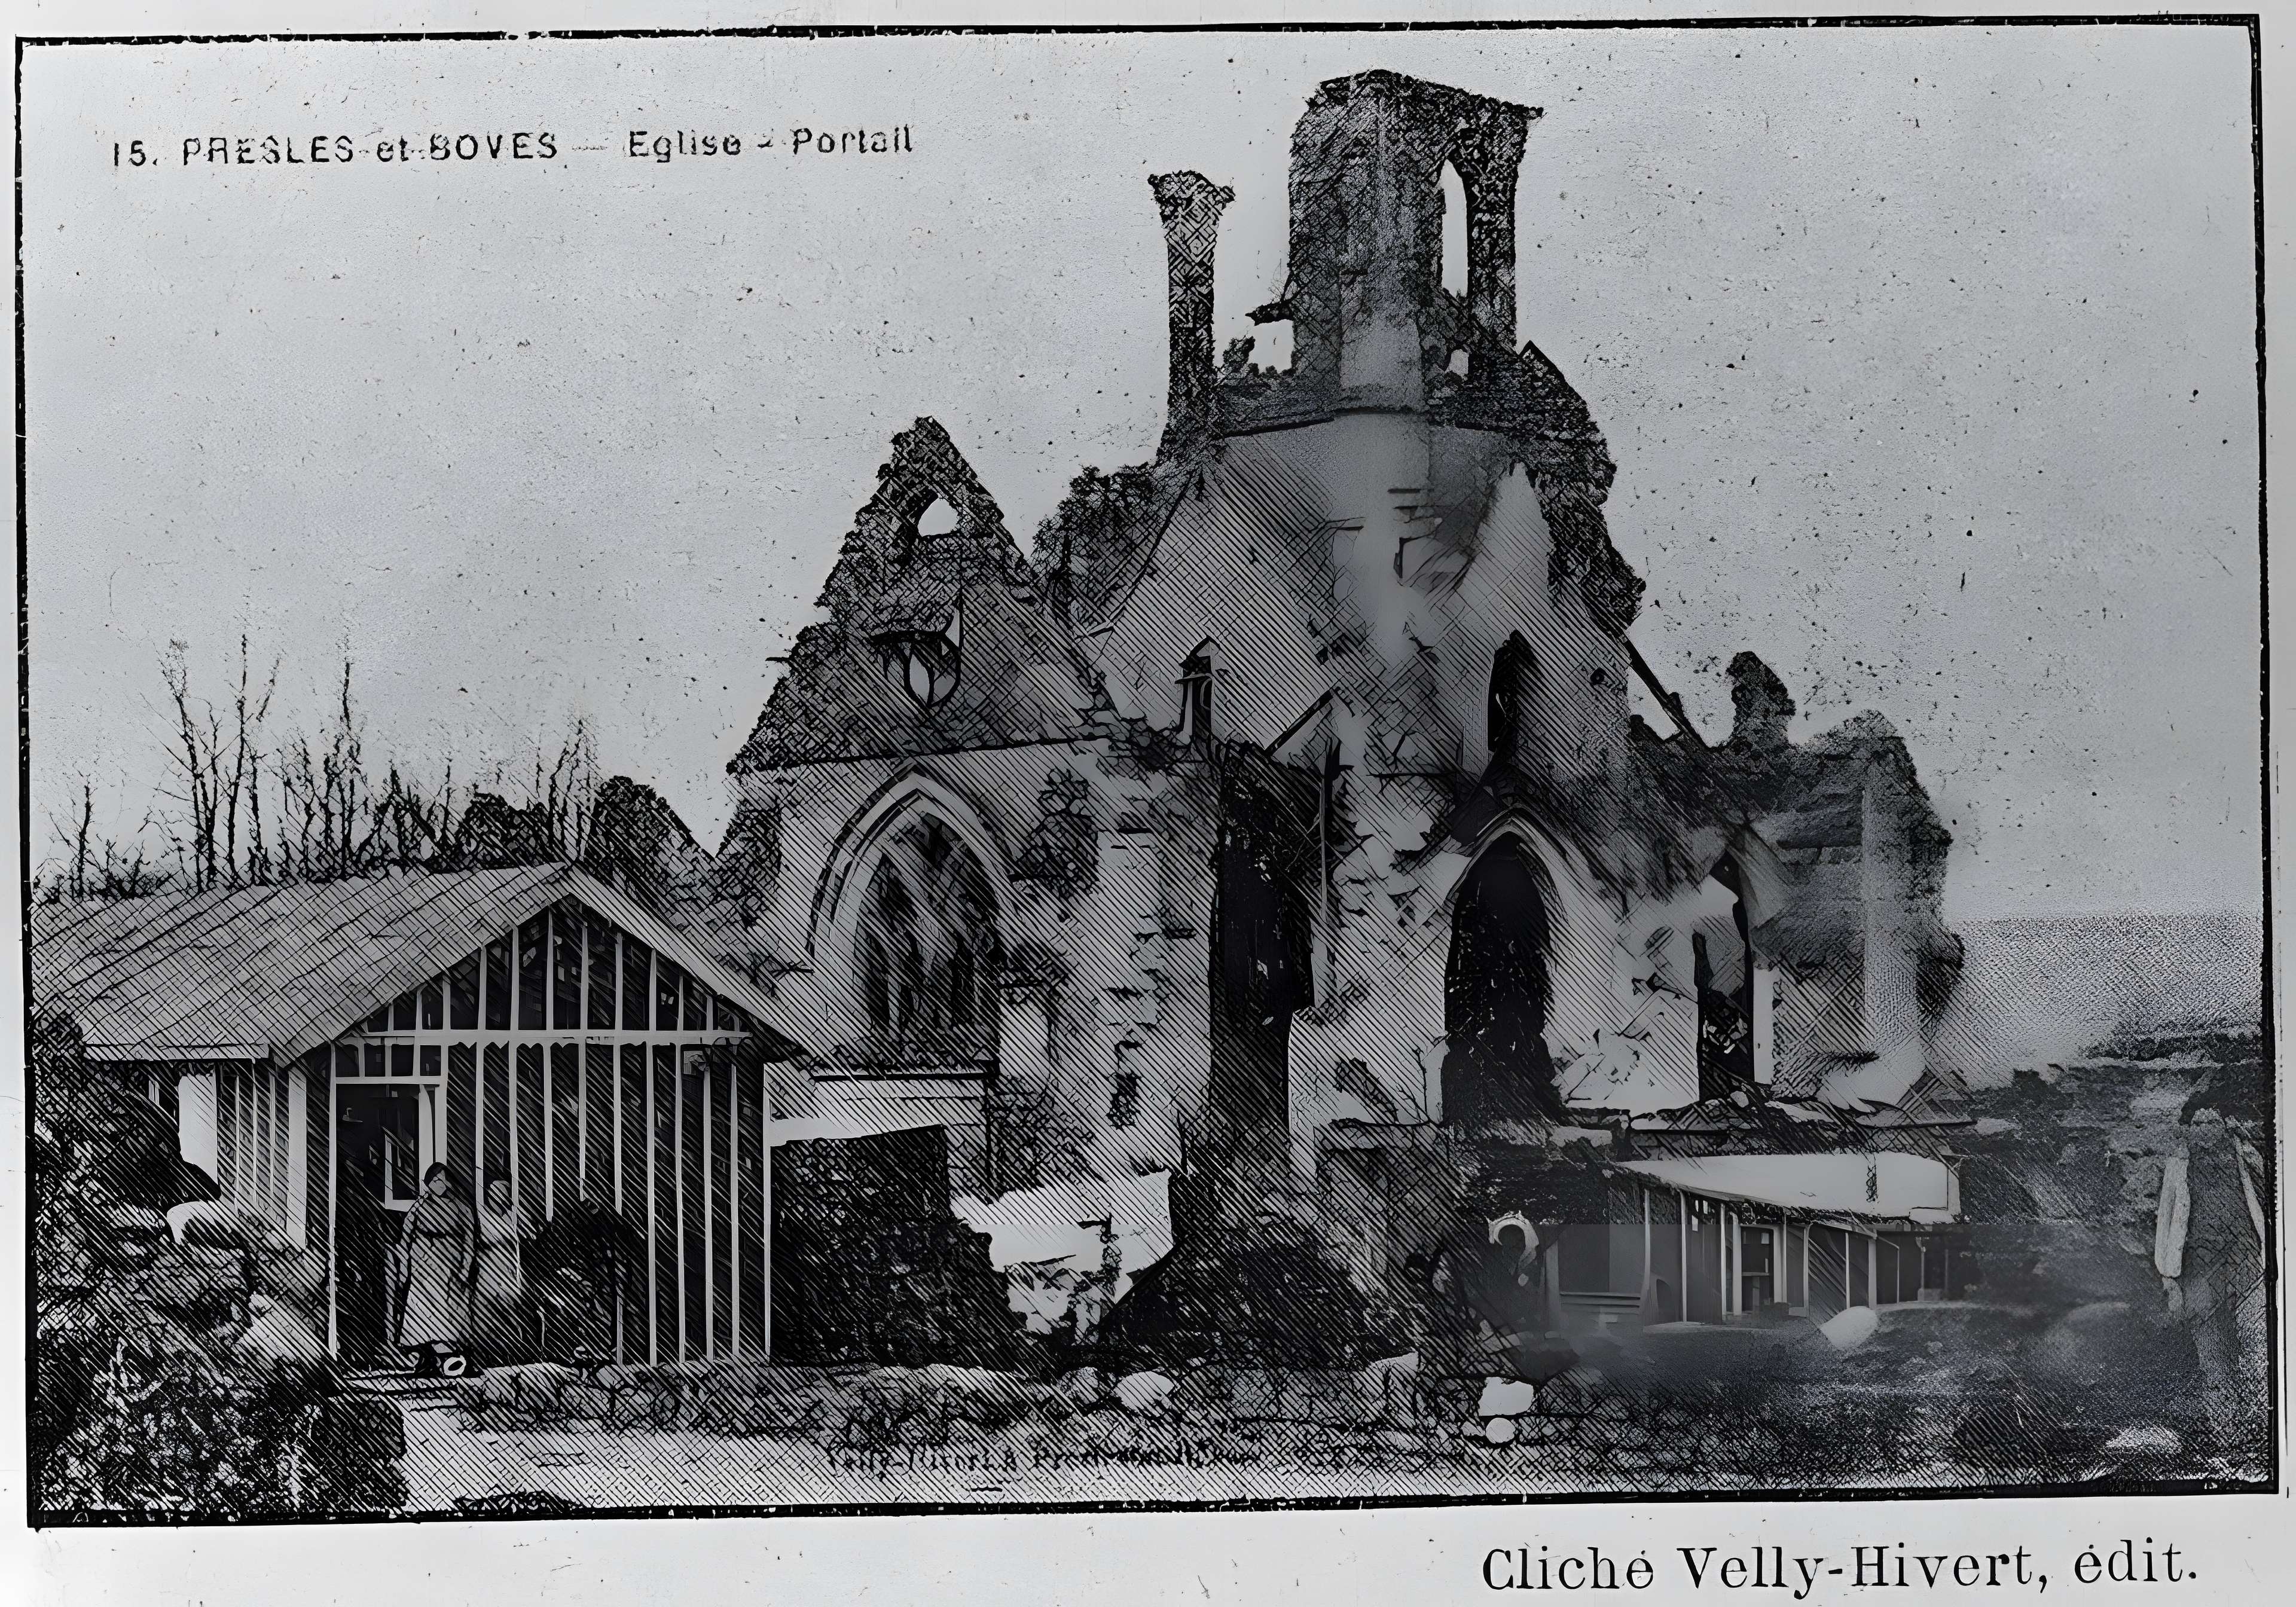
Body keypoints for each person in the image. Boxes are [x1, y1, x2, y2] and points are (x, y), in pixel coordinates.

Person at [2154, 1087, 2270, 1468]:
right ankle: (2227, 1438)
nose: (2205, 1130)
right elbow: (2166, 1223)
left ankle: (2261, 1435)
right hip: (2200, 1274)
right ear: (2189, 1129)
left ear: (2225, 1127)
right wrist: (2170, 1279)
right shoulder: (2177, 1168)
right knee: (2213, 1358)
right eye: (2198, 1123)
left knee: (2256, 1353)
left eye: (2213, 1122)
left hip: (2250, 1266)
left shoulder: (2246, 1158)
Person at [392, 1162, 475, 1376]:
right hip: (423, 1271)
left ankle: (447, 1356)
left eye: (443, 1180)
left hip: (449, 1270)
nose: (440, 1184)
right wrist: (404, 1270)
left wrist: (465, 1268)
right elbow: (405, 1240)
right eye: (435, 1180)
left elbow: (469, 1241)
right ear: (427, 1183)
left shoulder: (461, 1208)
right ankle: (425, 1356)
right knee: (422, 1311)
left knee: (447, 1313)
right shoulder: (419, 1208)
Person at [470, 1175, 536, 1368]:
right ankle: (489, 1360)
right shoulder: (482, 1216)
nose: (495, 1198)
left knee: (512, 1317)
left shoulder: (513, 1216)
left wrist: (517, 1209)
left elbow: (532, 1233)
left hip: (508, 1275)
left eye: (501, 1194)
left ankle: (514, 1357)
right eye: (492, 1194)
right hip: (487, 1275)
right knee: (487, 1319)